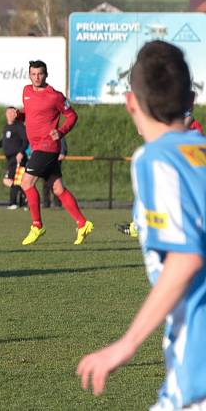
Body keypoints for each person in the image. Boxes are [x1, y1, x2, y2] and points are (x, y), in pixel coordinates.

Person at [77, 41, 206, 409]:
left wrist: (126, 344)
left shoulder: (156, 159)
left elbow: (186, 259)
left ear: (130, 102)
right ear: (191, 99)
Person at [19, 60, 93, 246]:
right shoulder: (26, 91)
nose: (37, 77)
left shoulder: (55, 96)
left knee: (26, 182)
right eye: (33, 74)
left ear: (46, 74)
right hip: (37, 147)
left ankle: (37, 225)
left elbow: (72, 116)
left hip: (48, 146)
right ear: (29, 75)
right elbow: (30, 115)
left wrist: (60, 132)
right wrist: (18, 116)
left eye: (40, 74)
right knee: (58, 188)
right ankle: (82, 223)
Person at [0, 106, 28, 210]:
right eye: (8, 113)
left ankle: (14, 203)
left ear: (15, 114)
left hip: (17, 158)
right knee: (15, 181)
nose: (10, 115)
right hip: (10, 159)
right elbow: (4, 141)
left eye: (12, 113)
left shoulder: (19, 127)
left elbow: (26, 140)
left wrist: (21, 152)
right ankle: (23, 201)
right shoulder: (6, 127)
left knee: (10, 180)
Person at [41, 136, 66, 208]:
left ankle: (57, 203)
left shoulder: (56, 132)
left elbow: (62, 143)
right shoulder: (44, 131)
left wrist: (62, 152)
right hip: (45, 159)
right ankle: (46, 202)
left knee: (56, 182)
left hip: (54, 159)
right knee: (45, 183)